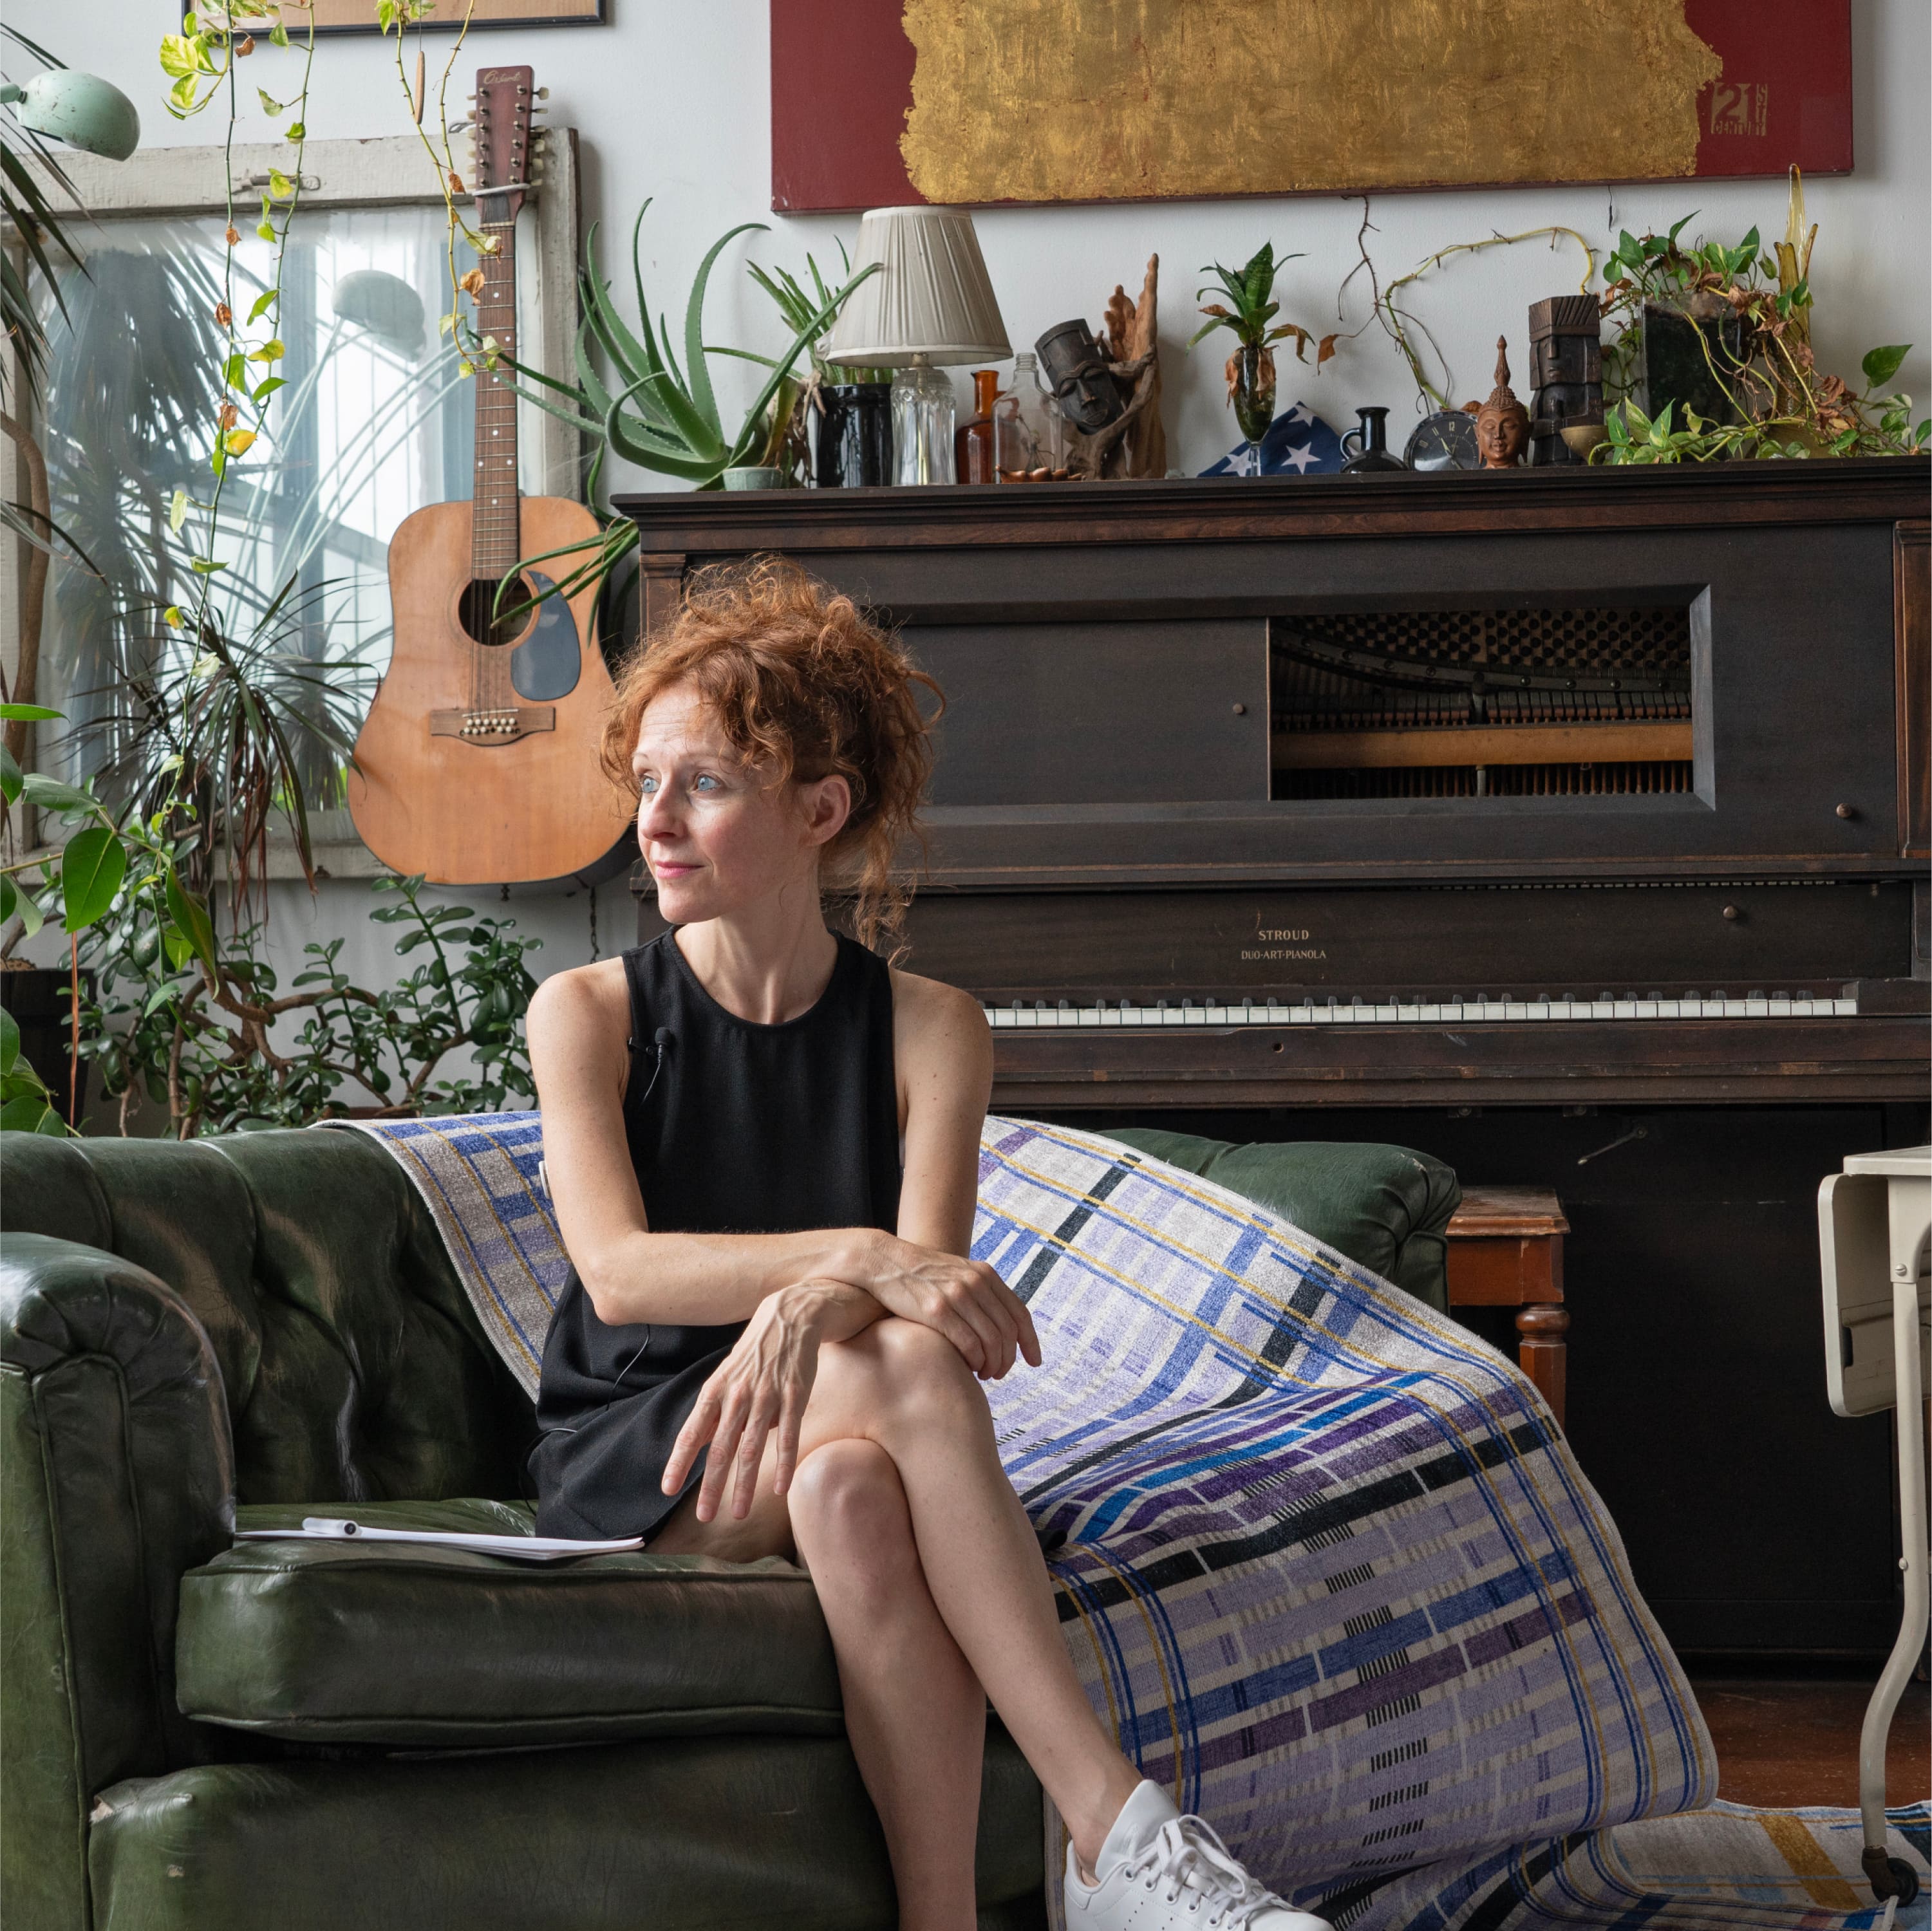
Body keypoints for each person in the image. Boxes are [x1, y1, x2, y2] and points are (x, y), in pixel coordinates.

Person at [527, 558, 1329, 1931]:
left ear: (819, 808)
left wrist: (813, 1302)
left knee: (854, 1489)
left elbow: (931, 1305)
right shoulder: (586, 1011)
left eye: (704, 784)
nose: (653, 822)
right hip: (656, 1452)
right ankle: (1111, 1833)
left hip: (835, 1427)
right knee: (892, 1373)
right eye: (646, 781)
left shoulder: (929, 1028)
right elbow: (624, 1273)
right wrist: (842, 1261)